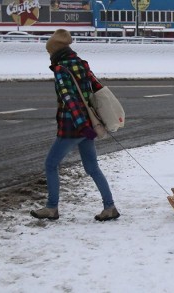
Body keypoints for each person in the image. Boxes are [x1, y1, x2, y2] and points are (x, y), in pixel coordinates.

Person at [30, 29, 120, 222]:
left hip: (72, 128)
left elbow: (70, 100)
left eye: (49, 52)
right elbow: (95, 88)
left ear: (55, 50)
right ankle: (110, 207)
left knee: (50, 164)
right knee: (92, 168)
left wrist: (81, 126)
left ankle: (52, 207)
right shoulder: (81, 63)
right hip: (87, 125)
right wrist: (89, 125)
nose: (49, 55)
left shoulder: (61, 70)